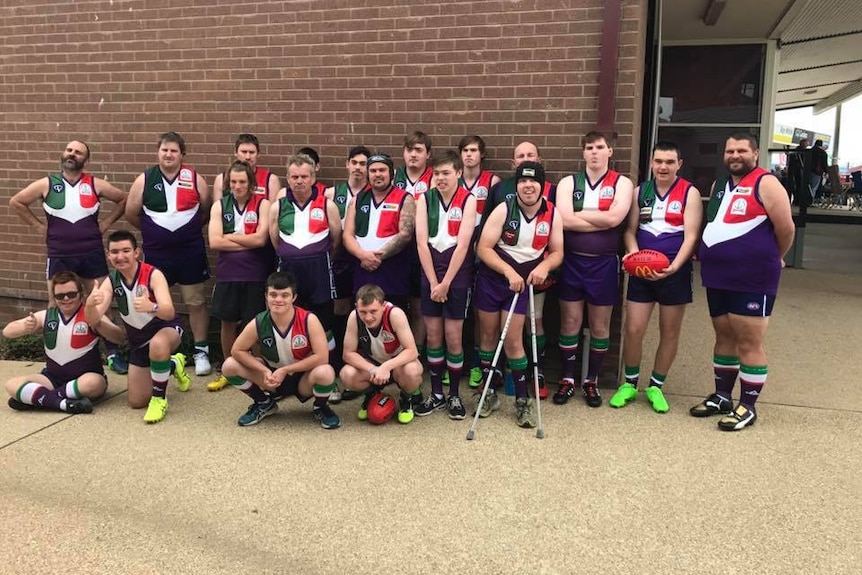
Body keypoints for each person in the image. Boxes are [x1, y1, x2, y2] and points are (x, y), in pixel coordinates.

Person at [691, 133, 794, 431]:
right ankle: (722, 396)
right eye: (729, 150)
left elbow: (786, 229)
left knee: (749, 341)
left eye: (741, 150)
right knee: (723, 336)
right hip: (717, 275)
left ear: (755, 153)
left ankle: (747, 406)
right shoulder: (719, 184)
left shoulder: (767, 183)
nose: (735, 155)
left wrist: (775, 256)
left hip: (753, 277)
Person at [9, 140, 129, 374]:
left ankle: (113, 354)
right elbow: (17, 201)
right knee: (55, 304)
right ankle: (56, 356)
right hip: (59, 254)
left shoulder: (95, 183)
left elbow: (123, 200)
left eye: (78, 152)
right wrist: (37, 227)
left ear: (86, 159)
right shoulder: (47, 183)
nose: (72, 154)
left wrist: (105, 224)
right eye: (69, 150)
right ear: (63, 154)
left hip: (91, 252)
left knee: (102, 303)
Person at [610, 141, 703, 413]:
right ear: (651, 163)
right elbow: (629, 230)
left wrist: (674, 266)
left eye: (669, 162)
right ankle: (629, 384)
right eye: (658, 161)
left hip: (674, 272)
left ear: (679, 164)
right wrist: (635, 255)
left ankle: (656, 386)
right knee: (634, 329)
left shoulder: (690, 193)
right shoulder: (641, 192)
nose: (663, 166)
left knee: (669, 331)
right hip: (642, 272)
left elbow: (692, 235)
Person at [473, 162, 563, 428]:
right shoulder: (504, 208)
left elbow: (558, 251)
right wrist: (507, 271)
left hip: (522, 284)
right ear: (517, 185)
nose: (528, 186)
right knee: (488, 337)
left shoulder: (552, 213)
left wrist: (545, 266)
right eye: (523, 181)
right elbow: (484, 248)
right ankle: (488, 394)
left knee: (513, 341)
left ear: (541, 185)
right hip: (495, 279)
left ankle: (522, 401)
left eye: (533, 181)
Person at [553, 131, 634, 407]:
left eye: (600, 147)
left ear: (610, 151)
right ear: (583, 152)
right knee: (570, 323)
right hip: (572, 261)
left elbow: (616, 218)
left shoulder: (622, 183)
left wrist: (580, 217)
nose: (595, 152)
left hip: (604, 263)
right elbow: (562, 220)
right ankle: (567, 379)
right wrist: (602, 219)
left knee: (599, 326)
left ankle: (591, 381)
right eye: (589, 147)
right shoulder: (568, 183)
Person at [124, 131, 213, 376]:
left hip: (189, 252)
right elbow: (131, 211)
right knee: (154, 303)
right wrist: (154, 232)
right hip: (156, 253)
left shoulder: (196, 179)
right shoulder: (144, 179)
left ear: (182, 154)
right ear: (158, 152)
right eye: (164, 150)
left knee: (196, 302)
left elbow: (205, 211)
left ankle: (201, 350)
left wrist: (186, 231)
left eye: (174, 150)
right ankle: (160, 349)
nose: (168, 154)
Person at [85, 231, 191, 424]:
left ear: (136, 252)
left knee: (158, 345)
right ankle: (173, 364)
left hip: (166, 330)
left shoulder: (153, 274)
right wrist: (90, 305)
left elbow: (168, 312)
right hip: (139, 342)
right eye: (114, 252)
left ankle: (160, 400)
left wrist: (152, 307)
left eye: (126, 250)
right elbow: (94, 320)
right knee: (136, 401)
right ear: (108, 256)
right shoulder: (111, 281)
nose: (120, 256)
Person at [220, 271, 340, 429]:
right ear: (266, 296)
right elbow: (237, 350)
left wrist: (286, 370)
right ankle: (263, 402)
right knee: (229, 366)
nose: (278, 300)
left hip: (302, 378)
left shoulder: (308, 319)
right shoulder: (259, 321)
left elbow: (322, 357)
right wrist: (263, 370)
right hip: (272, 378)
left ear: (294, 297)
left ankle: (321, 407)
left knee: (326, 372)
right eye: (273, 294)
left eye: (284, 295)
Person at [3, 271, 124, 414]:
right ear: (54, 298)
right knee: (11, 385)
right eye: (60, 296)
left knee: (94, 383)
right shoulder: (47, 315)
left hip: (84, 378)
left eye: (71, 294)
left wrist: (98, 324)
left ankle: (40, 398)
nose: (66, 299)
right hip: (51, 379)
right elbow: (7, 331)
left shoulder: (91, 315)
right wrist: (26, 327)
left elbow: (120, 338)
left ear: (81, 294)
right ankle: (63, 403)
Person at [413, 151, 477, 420]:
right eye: (437, 173)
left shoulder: (468, 199)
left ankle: (454, 396)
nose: (440, 178)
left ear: (458, 173)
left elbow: (463, 244)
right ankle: (437, 394)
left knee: (453, 337)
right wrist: (433, 282)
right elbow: (420, 242)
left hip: (457, 275)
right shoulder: (424, 200)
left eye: (446, 173)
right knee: (433, 336)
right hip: (431, 274)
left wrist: (446, 283)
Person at [269, 154, 342, 371]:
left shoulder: (327, 205)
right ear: (288, 179)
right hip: (289, 272)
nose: (299, 181)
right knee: (292, 323)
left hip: (319, 271)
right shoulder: (278, 207)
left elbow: (336, 239)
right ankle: (296, 372)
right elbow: (275, 240)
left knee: (324, 324)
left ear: (312, 177)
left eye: (303, 176)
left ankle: (329, 370)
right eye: (294, 177)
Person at [205, 160, 272, 392]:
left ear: (251, 183)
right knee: (228, 322)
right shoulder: (219, 206)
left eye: (242, 181)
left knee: (256, 323)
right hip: (227, 275)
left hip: (255, 274)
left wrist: (230, 237)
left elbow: (261, 240)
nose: (237, 186)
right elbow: (215, 242)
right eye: (233, 181)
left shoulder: (263, 204)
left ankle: (257, 370)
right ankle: (228, 369)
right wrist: (247, 240)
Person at [324, 145, 372, 402]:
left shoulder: (373, 192)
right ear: (347, 164)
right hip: (340, 258)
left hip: (364, 257)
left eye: (363, 163)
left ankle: (363, 362)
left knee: (365, 309)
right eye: (354, 162)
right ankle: (344, 359)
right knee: (341, 309)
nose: (358, 167)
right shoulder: (333, 193)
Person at [339, 284, 424, 424]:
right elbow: (348, 354)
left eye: (373, 311)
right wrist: (373, 369)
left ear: (383, 305)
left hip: (397, 364)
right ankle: (372, 394)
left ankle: (406, 398)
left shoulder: (395, 314)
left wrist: (386, 367)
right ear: (356, 307)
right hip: (373, 364)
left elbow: (412, 351)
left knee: (412, 371)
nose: (368, 317)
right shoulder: (354, 317)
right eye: (363, 312)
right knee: (346, 374)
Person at [342, 153, 416, 309]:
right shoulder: (357, 199)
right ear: (368, 174)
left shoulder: (405, 198)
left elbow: (405, 234)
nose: (378, 174)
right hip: (363, 269)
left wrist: (376, 258)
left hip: (393, 272)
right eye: (373, 171)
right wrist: (363, 256)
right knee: (364, 316)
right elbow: (347, 235)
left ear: (391, 173)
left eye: (382, 170)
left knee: (393, 318)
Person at [393, 131, 433, 363]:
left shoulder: (434, 177)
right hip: (397, 250)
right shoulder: (394, 175)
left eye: (419, 150)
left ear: (428, 154)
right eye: (409, 149)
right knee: (398, 305)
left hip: (423, 249)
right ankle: (397, 353)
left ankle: (416, 353)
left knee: (419, 307)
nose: (413, 154)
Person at [212, 134, 281, 203]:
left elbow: (273, 212)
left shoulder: (270, 180)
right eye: (244, 152)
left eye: (252, 152)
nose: (248, 157)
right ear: (235, 153)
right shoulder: (221, 179)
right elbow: (218, 209)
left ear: (258, 154)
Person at [458, 135, 500, 229]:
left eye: (473, 150)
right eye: (465, 150)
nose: (468, 154)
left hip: (481, 233)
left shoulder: (492, 180)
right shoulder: (454, 179)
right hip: (456, 233)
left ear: (482, 154)